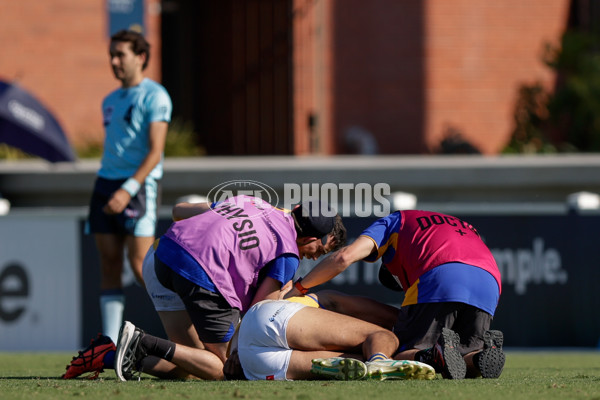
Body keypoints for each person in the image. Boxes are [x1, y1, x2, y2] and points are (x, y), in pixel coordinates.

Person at [111, 195, 347, 381]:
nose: (314, 259)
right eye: (319, 252)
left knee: (189, 364)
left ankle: (110, 355)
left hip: (162, 254)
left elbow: (179, 210)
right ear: (309, 239)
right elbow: (258, 316)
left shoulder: (253, 202)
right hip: (199, 271)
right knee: (223, 368)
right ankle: (143, 342)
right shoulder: (287, 254)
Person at [286, 209, 505, 380]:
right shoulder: (455, 223)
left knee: (398, 352)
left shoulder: (393, 221)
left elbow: (344, 257)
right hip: (490, 282)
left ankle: (432, 354)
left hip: (441, 274)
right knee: (461, 351)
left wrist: (300, 288)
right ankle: (480, 357)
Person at [85, 29, 172, 343]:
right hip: (105, 184)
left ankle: (183, 334)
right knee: (108, 263)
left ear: (141, 57)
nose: (114, 61)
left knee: (140, 265)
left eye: (120, 54)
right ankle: (108, 345)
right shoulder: (109, 100)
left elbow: (155, 152)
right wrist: (113, 187)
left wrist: (128, 188)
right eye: (112, 54)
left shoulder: (156, 96)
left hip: (138, 187)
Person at [225, 288, 436, 381]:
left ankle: (377, 362)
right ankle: (380, 359)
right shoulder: (324, 298)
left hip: (250, 363)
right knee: (380, 336)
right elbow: (394, 318)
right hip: (269, 320)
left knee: (360, 366)